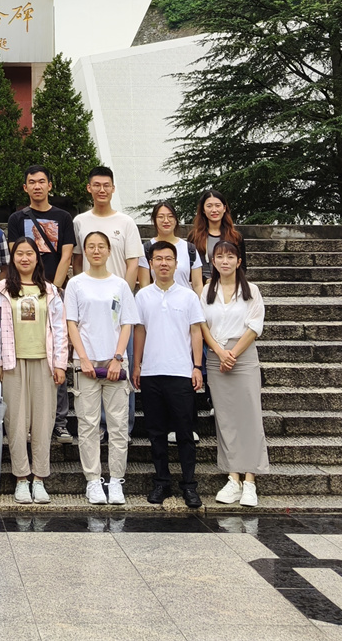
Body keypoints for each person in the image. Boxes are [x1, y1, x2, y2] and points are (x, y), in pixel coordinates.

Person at [0, 236, 67, 504]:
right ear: (13, 259)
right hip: (13, 363)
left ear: (37, 258)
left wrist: (60, 364)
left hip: (44, 363)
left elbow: (60, 330)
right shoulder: (1, 289)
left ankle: (39, 478)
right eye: (19, 254)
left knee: (44, 422)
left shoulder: (51, 291)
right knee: (16, 423)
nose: (24, 258)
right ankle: (21, 478)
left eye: (29, 253)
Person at [63, 230, 138, 505]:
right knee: (88, 425)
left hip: (115, 362)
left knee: (118, 425)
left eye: (101, 246)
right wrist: (82, 358)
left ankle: (116, 480)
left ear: (109, 251)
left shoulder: (120, 284)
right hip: (85, 363)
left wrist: (118, 357)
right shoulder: (76, 284)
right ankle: (93, 480)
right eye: (91, 246)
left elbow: (127, 323)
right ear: (85, 251)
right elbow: (71, 323)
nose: (96, 251)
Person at [132, 241, 205, 507]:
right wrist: (137, 364)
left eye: (169, 259)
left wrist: (197, 366)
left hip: (181, 372)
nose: (163, 263)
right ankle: (161, 482)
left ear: (176, 263)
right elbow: (140, 331)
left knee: (185, 432)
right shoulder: (142, 296)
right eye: (158, 259)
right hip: (152, 372)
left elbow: (196, 331)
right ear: (151, 264)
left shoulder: (189, 296)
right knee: (156, 432)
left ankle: (189, 485)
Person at [7, 165, 76, 441]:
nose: (37, 186)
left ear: (50, 185)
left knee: (56, 353)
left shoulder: (63, 217)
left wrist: (53, 289)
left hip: (52, 293)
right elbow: (17, 254)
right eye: (32, 182)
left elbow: (66, 255)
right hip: (24, 292)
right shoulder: (17, 218)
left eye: (42, 181)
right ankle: (25, 423)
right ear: (25, 187)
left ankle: (59, 421)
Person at [201, 239, 268, 507]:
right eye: (220, 257)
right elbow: (202, 325)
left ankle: (250, 480)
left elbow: (254, 326)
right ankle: (233, 478)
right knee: (226, 418)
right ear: (213, 262)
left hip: (243, 355)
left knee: (249, 416)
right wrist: (220, 353)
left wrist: (232, 354)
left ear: (239, 261)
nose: (225, 261)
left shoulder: (251, 290)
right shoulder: (207, 290)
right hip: (216, 357)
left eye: (230, 257)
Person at [73, 167, 143, 289]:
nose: (102, 190)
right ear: (89, 188)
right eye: (97, 185)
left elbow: (133, 264)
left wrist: (124, 294)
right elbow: (77, 261)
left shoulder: (126, 222)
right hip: (88, 293)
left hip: (116, 293)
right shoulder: (79, 222)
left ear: (113, 188)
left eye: (106, 186)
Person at [138, 201, 203, 293]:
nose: (166, 220)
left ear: (176, 220)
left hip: (185, 300)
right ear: (154, 220)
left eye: (170, 216)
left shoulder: (190, 249)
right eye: (161, 217)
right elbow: (144, 285)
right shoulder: (146, 249)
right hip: (158, 300)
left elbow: (198, 285)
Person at [188, 188, 243, 269]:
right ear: (203, 210)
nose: (214, 210)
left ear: (224, 208)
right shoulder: (194, 236)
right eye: (209, 206)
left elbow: (242, 267)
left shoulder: (235, 236)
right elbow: (190, 265)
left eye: (218, 205)